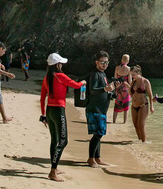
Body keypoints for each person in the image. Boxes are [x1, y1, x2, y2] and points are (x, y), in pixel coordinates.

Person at [40, 53, 85, 182]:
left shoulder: (47, 78)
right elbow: (76, 85)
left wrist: (43, 115)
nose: (62, 65)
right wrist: (83, 82)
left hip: (49, 111)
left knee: (54, 140)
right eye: (61, 63)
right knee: (63, 141)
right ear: (57, 65)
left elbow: (43, 97)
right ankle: (53, 171)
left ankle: (55, 166)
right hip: (59, 111)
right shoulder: (60, 76)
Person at [84, 51, 117, 168]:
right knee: (98, 134)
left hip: (101, 109)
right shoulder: (95, 74)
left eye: (106, 62)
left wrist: (112, 93)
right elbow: (93, 90)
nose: (105, 64)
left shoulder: (103, 75)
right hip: (94, 108)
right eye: (102, 62)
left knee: (100, 133)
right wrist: (105, 88)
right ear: (97, 62)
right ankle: (91, 158)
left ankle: (97, 158)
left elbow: (105, 90)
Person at [129, 65, 154, 142]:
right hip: (134, 106)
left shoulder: (145, 81)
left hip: (143, 105)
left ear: (138, 73)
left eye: (133, 74)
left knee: (141, 125)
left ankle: (144, 142)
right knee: (136, 125)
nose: (132, 76)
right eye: (131, 75)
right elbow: (131, 95)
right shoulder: (133, 82)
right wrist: (128, 88)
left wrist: (151, 107)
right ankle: (140, 142)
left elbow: (150, 95)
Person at [112, 54, 132, 124]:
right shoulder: (129, 69)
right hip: (126, 90)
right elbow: (130, 81)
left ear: (121, 59)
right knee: (126, 107)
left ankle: (114, 121)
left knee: (116, 106)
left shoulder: (117, 68)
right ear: (128, 60)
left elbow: (115, 79)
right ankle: (124, 123)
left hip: (118, 88)